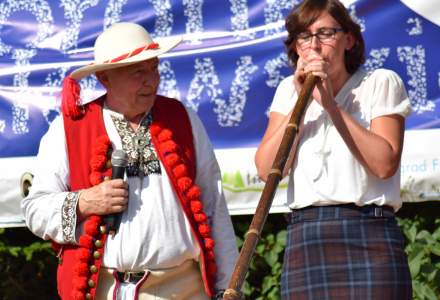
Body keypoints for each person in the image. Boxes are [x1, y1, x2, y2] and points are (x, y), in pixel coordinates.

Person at [22, 22, 238, 300]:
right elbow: (35, 210)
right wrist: (85, 202)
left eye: (154, 67)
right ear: (105, 77)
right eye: (138, 72)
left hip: (185, 290)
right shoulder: (69, 128)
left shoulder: (182, 117)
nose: (152, 79)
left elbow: (213, 204)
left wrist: (227, 286)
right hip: (106, 290)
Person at [255, 0, 412, 299]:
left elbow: (384, 164)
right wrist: (302, 101)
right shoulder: (289, 91)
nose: (314, 44)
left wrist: (329, 104)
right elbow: (266, 169)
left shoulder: (379, 82)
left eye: (325, 33)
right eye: (304, 36)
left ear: (349, 39)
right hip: (308, 235)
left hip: (369, 232)